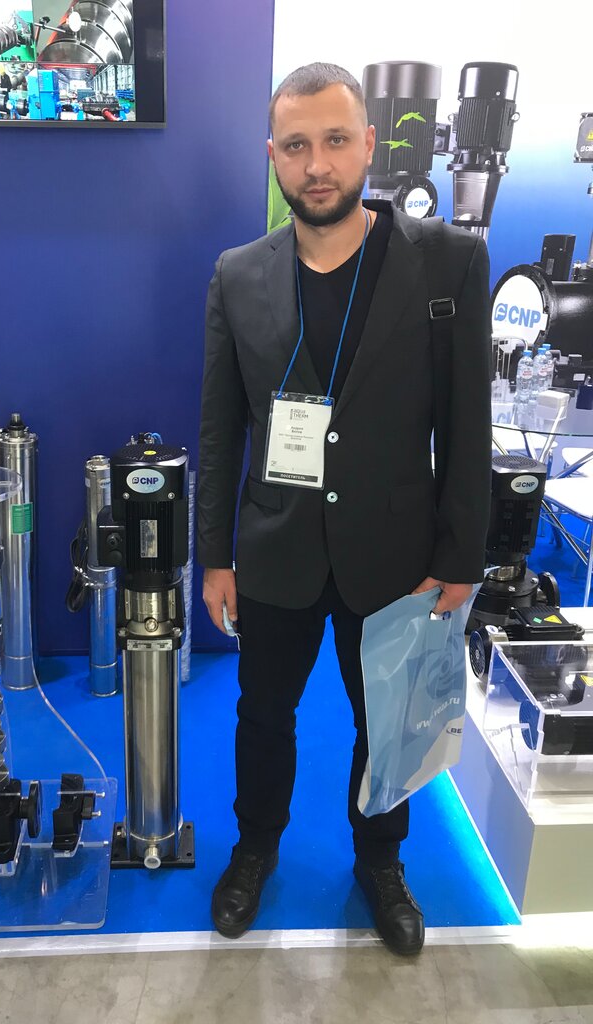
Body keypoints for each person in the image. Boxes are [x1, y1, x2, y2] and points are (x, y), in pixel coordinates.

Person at [198, 62, 492, 956]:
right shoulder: (238, 274)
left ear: (369, 145)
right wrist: (214, 556)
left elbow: (466, 425)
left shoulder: (448, 261)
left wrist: (461, 556)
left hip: (395, 552)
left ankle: (381, 862)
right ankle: (255, 848)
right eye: (297, 146)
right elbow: (219, 428)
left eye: (334, 141)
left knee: (385, 724)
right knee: (263, 716)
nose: (316, 164)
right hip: (277, 548)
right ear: (274, 157)